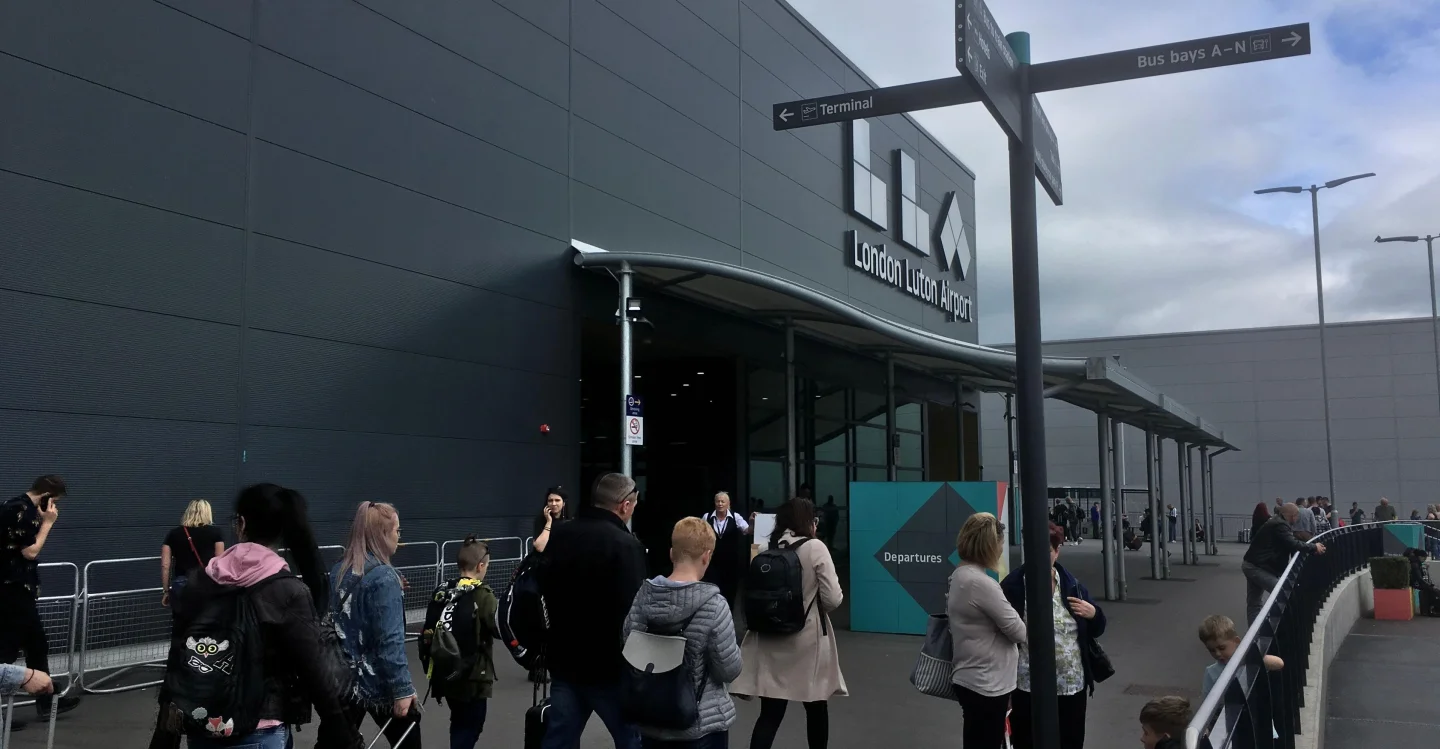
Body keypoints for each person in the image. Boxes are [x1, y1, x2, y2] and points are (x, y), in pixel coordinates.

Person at [162, 483, 362, 749]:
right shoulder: (288, 590)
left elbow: (179, 660)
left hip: (202, 728)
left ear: (241, 524)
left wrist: (164, 737)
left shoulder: (200, 581)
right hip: (260, 729)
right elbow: (316, 671)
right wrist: (347, 737)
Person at [541, 472, 647, 749]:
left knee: (559, 740)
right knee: (630, 739)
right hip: (610, 666)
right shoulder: (626, 545)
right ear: (625, 505)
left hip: (564, 659)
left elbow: (542, 588)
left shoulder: (560, 535)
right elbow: (635, 610)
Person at [731, 497, 846, 749]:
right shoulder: (815, 547)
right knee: (816, 707)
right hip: (807, 641)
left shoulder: (768, 546)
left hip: (771, 636)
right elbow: (833, 598)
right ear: (808, 521)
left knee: (770, 714)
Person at [623, 517, 742, 749]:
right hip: (699, 724)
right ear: (707, 556)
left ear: (671, 553)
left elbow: (628, 644)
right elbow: (729, 670)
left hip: (649, 716)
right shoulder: (714, 605)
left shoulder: (643, 596)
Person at [1000, 522, 1105, 749]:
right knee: (1027, 741)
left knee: (1070, 742)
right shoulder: (1013, 587)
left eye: (1046, 550)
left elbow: (1097, 628)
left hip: (1070, 684)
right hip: (1027, 684)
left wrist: (1094, 614)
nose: (1039, 556)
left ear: (1057, 552)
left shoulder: (1072, 585)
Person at [331, 502, 420, 747]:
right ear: (382, 534)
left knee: (335, 742)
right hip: (378, 682)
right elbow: (391, 640)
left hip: (344, 679)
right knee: (408, 740)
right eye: (397, 531)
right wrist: (403, 690)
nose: (399, 537)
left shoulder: (340, 569)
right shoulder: (385, 578)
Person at [0, 475, 80, 720]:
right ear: (46, 497)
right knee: (7, 650)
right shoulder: (20, 510)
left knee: (36, 645)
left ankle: (47, 700)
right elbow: (30, 552)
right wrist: (48, 523)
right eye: (54, 501)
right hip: (12, 589)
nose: (54, 507)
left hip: (18, 589)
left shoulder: (16, 506)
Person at [946, 512, 1026, 749]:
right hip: (987, 683)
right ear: (989, 546)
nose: (1001, 550)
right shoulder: (981, 584)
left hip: (972, 676)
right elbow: (1019, 632)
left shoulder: (959, 575)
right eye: (1000, 544)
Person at [420, 537, 499, 749]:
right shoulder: (482, 594)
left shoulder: (445, 590)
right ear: (481, 566)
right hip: (472, 675)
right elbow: (497, 628)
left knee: (459, 720)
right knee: (471, 725)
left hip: (445, 671)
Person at [1242, 503, 1327, 623]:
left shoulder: (1276, 522)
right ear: (1293, 516)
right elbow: (1293, 543)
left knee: (1254, 603)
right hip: (1257, 567)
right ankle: (1280, 627)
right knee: (1282, 592)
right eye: (1297, 516)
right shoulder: (1280, 525)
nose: (1297, 519)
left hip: (1251, 564)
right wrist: (1314, 547)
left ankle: (1255, 632)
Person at [161, 499, 225, 612]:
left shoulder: (173, 534)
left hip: (181, 585)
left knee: (181, 617)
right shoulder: (216, 533)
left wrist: (166, 591)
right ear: (207, 513)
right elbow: (219, 562)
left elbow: (165, 565)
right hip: (206, 584)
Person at [1197, 615, 1283, 698]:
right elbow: (1207, 700)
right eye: (1212, 650)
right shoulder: (1211, 673)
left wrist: (1250, 659)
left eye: (1222, 648)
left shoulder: (1247, 659)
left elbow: (1279, 663)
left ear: (1236, 641)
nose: (1217, 654)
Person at [701, 491, 751, 606]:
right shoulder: (707, 517)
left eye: (723, 501)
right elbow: (700, 533)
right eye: (717, 501)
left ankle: (729, 610)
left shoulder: (735, 516)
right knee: (713, 588)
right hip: (712, 560)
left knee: (730, 589)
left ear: (728, 503)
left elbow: (747, 530)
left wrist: (753, 521)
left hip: (731, 561)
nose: (720, 504)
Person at [532, 487, 569, 554]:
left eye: (557, 500)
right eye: (550, 500)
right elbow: (539, 548)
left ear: (563, 503)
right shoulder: (540, 520)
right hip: (543, 558)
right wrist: (549, 522)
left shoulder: (569, 521)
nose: (553, 503)